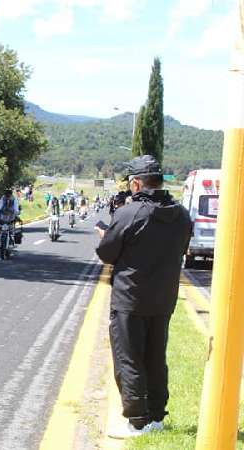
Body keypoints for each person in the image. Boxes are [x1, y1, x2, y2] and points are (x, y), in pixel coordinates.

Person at [96, 155, 192, 439]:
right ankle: (156, 417)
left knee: (129, 358)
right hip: (164, 299)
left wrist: (104, 235)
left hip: (130, 298)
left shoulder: (129, 213)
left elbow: (107, 254)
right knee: (155, 356)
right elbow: (182, 248)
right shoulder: (181, 214)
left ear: (136, 183)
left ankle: (137, 422)